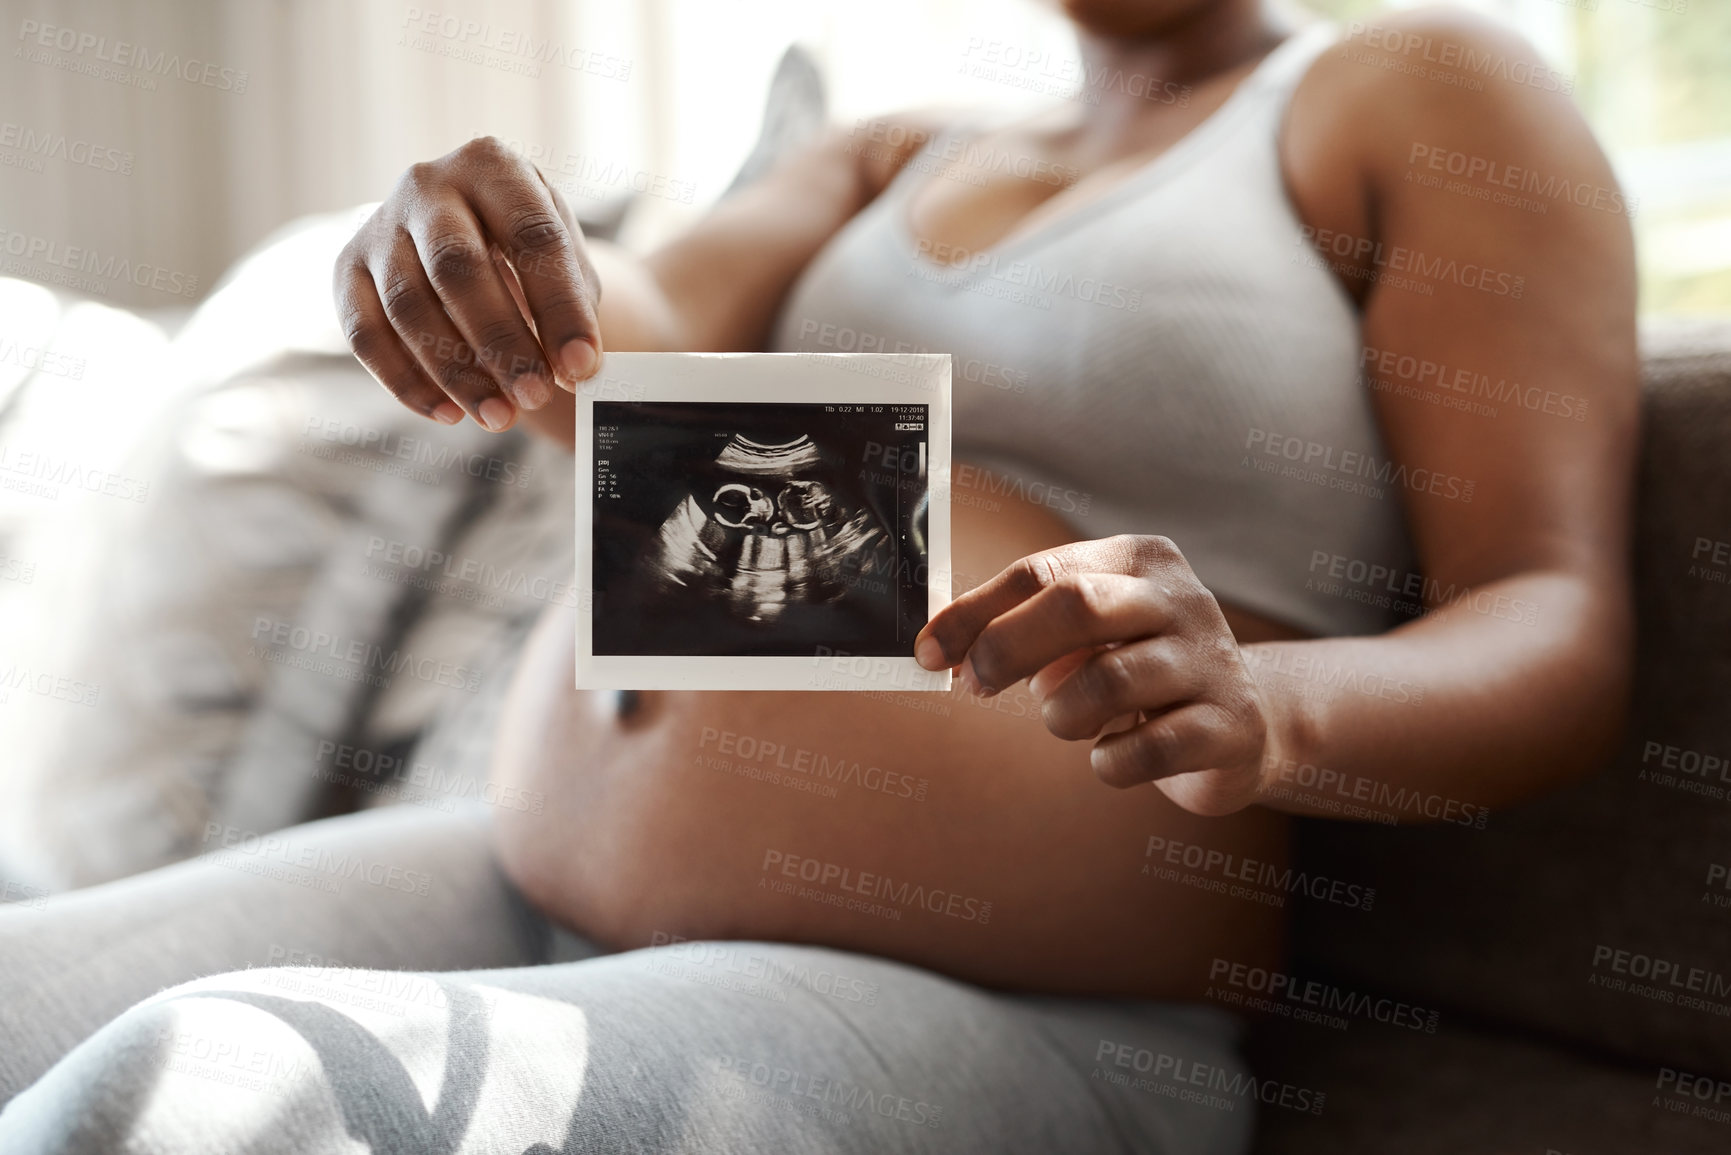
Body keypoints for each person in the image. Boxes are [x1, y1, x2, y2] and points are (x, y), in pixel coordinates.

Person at [0, 0, 1636, 1151]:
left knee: (216, 1099)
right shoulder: (890, 155)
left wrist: (1268, 702)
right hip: (522, 873)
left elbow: (1555, 621)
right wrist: (497, 257)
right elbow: (625, 332)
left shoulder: (1420, 90)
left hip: (1010, 1004)